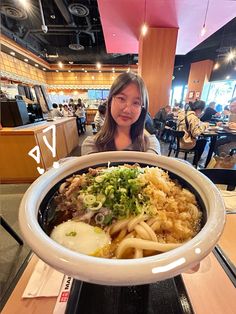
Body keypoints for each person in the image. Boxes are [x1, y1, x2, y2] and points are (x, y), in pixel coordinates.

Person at [82, 72, 161, 155]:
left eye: (136, 103)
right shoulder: (91, 145)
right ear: (110, 101)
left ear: (142, 109)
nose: (127, 110)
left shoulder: (150, 144)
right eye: (121, 98)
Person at [177, 100, 209, 166]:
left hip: (178, 142)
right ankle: (195, 163)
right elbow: (196, 133)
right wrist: (205, 125)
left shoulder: (182, 114)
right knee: (204, 141)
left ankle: (195, 162)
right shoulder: (193, 117)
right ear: (199, 109)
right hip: (186, 144)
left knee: (201, 141)